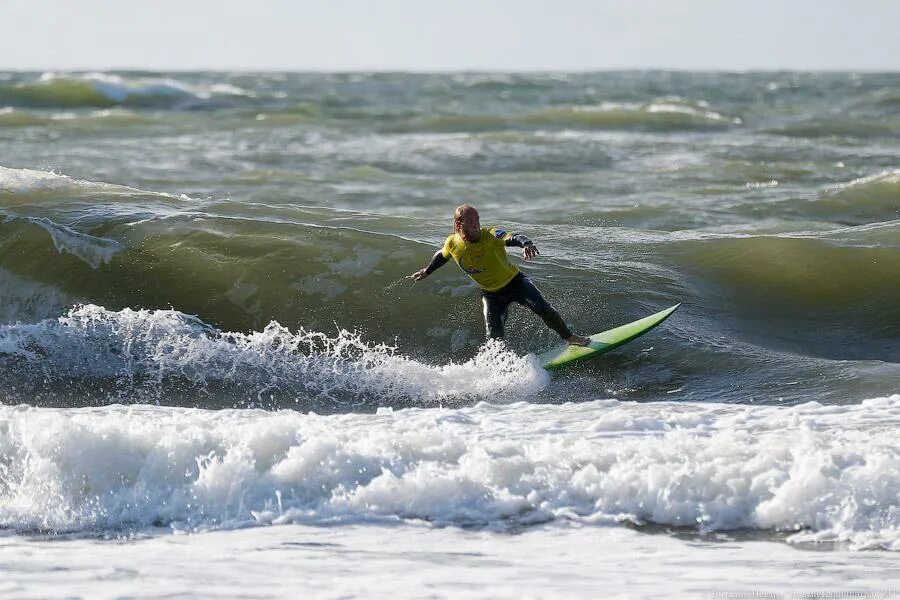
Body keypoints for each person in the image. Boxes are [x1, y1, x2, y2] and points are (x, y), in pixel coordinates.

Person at [412, 204, 590, 346]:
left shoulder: (490, 235)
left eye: (478, 219)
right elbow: (442, 256)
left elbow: (513, 237)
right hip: (491, 294)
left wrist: (526, 243)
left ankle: (569, 337)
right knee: (494, 337)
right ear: (460, 224)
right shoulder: (452, 242)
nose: (476, 223)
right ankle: (500, 367)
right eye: (471, 220)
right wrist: (427, 271)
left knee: (543, 309)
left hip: (515, 283)